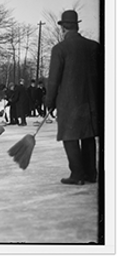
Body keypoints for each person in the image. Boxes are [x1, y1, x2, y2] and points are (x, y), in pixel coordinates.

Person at [45, 10, 103, 185]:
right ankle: (91, 174)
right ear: (77, 26)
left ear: (63, 29)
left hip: (69, 103)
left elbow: (54, 80)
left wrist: (49, 102)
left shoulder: (60, 49)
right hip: (91, 102)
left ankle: (77, 174)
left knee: (69, 136)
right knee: (88, 136)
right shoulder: (94, 47)